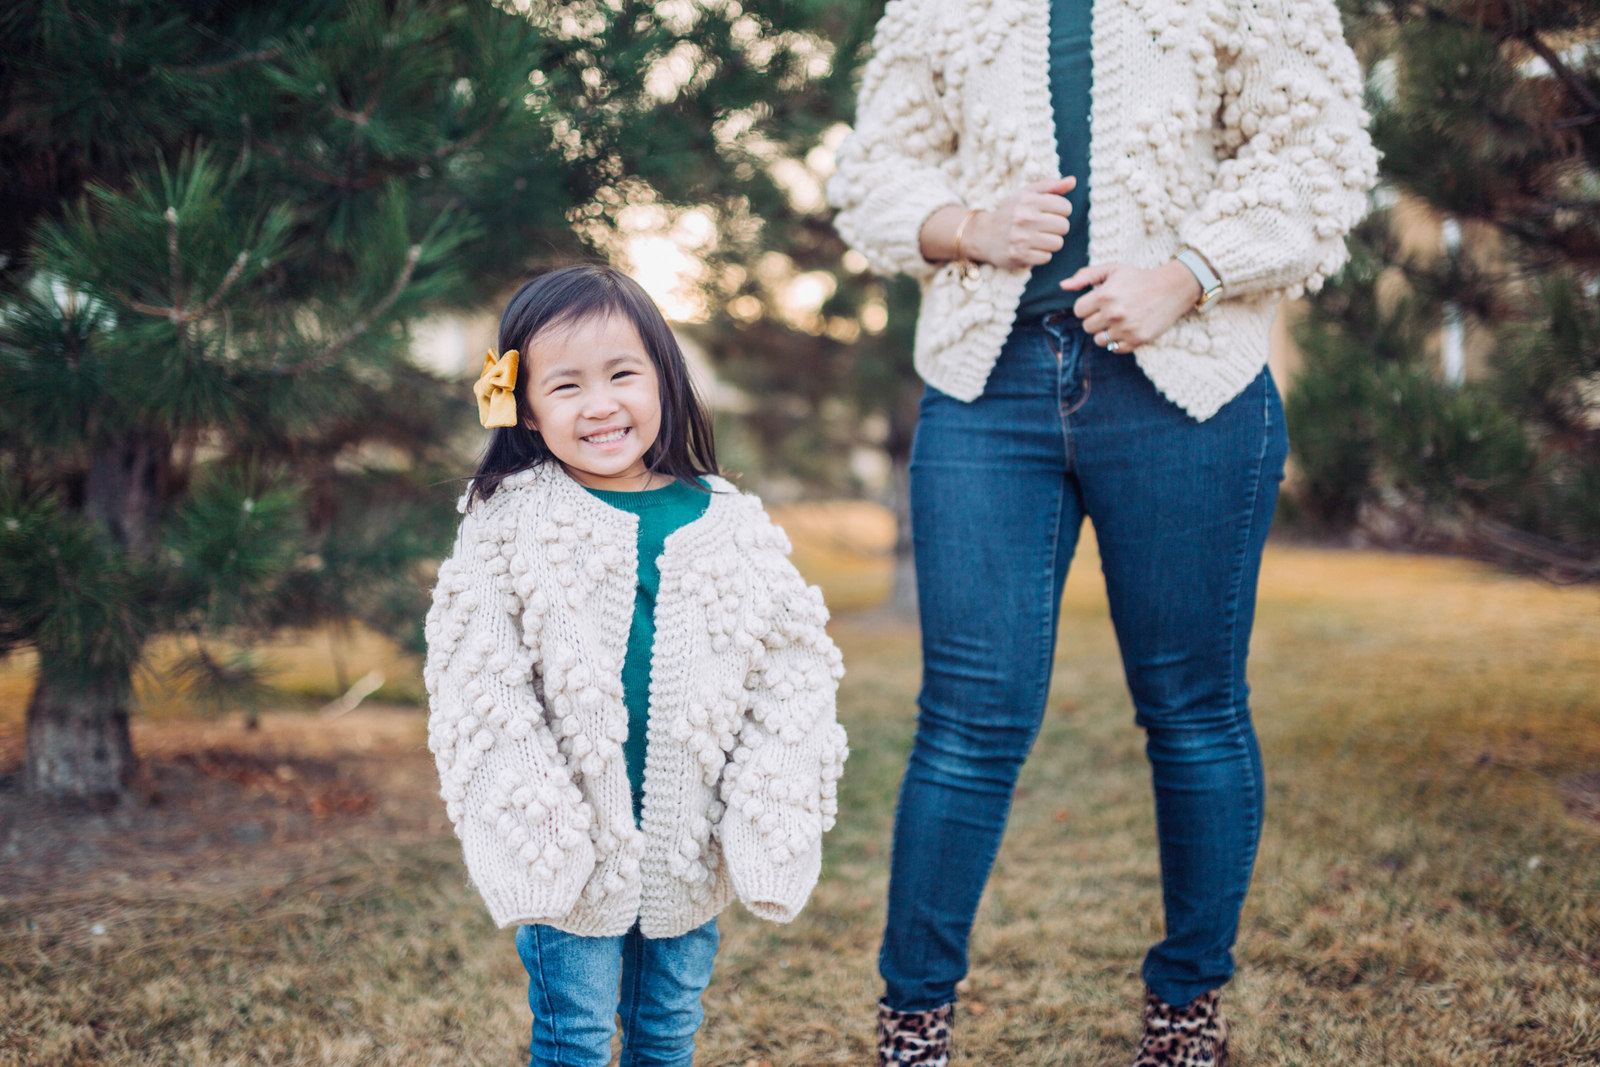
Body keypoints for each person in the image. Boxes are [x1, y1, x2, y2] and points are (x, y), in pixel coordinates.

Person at [827, 0, 1377, 1063]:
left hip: (1189, 387)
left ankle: (1183, 1014)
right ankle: (912, 1024)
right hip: (988, 387)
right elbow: (873, 171)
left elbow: (1318, 153)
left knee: (1193, 712)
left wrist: (1185, 275)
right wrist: (966, 227)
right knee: (965, 719)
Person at [423, 265, 849, 1067]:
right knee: (574, 1038)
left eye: (622, 373)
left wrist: (766, 811)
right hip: (572, 846)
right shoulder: (508, 519)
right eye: (567, 384)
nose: (601, 404)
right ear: (521, 402)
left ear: (665, 377)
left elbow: (795, 669)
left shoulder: (728, 520)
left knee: (666, 1031)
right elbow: (476, 674)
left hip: (687, 841)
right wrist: (537, 824)